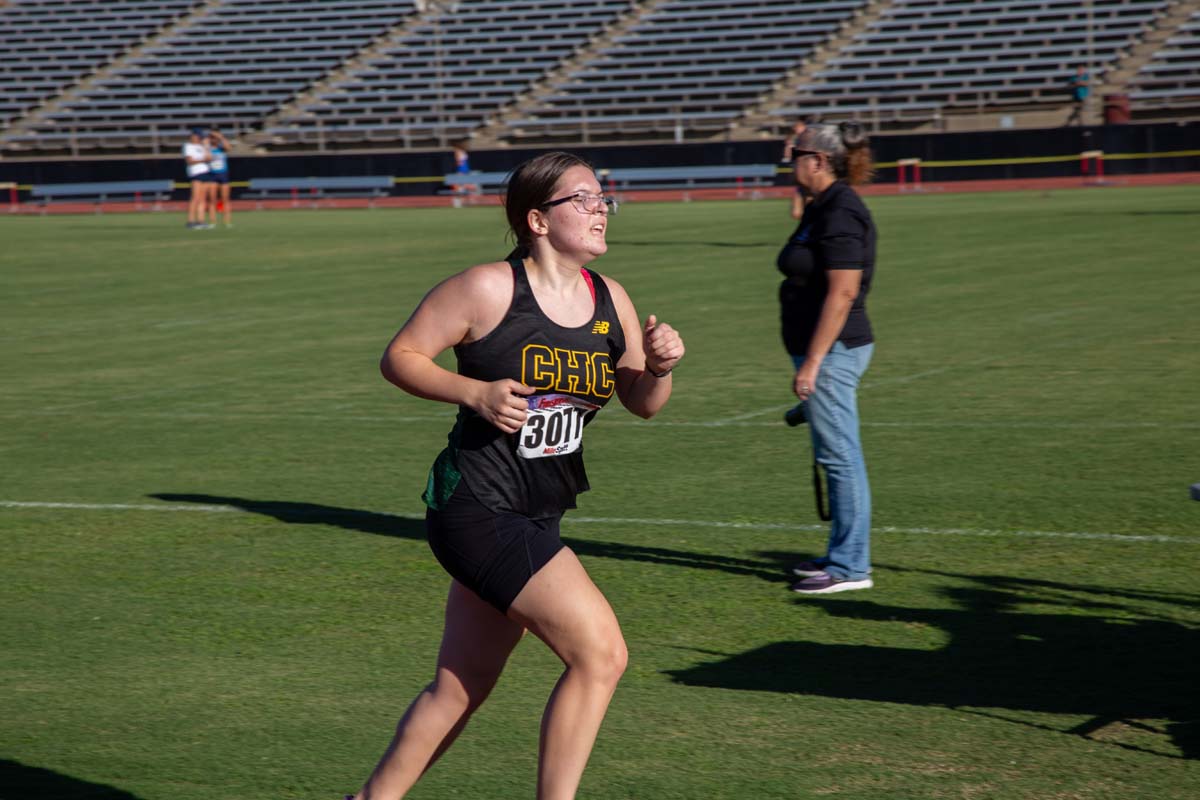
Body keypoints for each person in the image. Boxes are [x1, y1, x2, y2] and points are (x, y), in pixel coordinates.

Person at [348, 151, 685, 800]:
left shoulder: (609, 298)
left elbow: (643, 401)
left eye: (602, 197)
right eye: (582, 200)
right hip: (478, 507)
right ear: (537, 218)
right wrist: (470, 393)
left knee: (460, 687)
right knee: (601, 654)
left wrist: (662, 369)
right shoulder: (487, 289)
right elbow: (401, 357)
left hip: (539, 507)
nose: (600, 209)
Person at [777, 121, 877, 595]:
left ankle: (850, 567)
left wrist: (813, 364)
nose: (790, 163)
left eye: (796, 155)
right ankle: (841, 555)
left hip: (834, 352)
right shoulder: (823, 207)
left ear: (817, 160)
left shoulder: (841, 212)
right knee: (834, 455)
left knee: (841, 458)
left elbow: (843, 293)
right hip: (824, 351)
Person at [182, 127, 213, 229]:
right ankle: (191, 220)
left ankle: (201, 220)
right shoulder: (188, 146)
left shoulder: (202, 146)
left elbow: (209, 158)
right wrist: (203, 160)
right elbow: (190, 161)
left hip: (205, 172)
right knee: (195, 197)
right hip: (196, 173)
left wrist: (206, 147)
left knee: (203, 198)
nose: (199, 139)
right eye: (198, 136)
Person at [780, 120, 810, 220]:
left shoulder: (809, 139)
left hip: (808, 176)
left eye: (798, 127)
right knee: (796, 212)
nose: (796, 130)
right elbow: (788, 155)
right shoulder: (794, 139)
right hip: (802, 176)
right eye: (795, 128)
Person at [206, 127, 232, 227]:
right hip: (212, 175)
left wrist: (221, 137)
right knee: (212, 199)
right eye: (212, 137)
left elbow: (229, 148)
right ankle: (213, 221)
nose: (214, 139)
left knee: (225, 199)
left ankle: (227, 221)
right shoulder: (208, 148)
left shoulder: (222, 148)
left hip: (223, 175)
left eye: (215, 137)